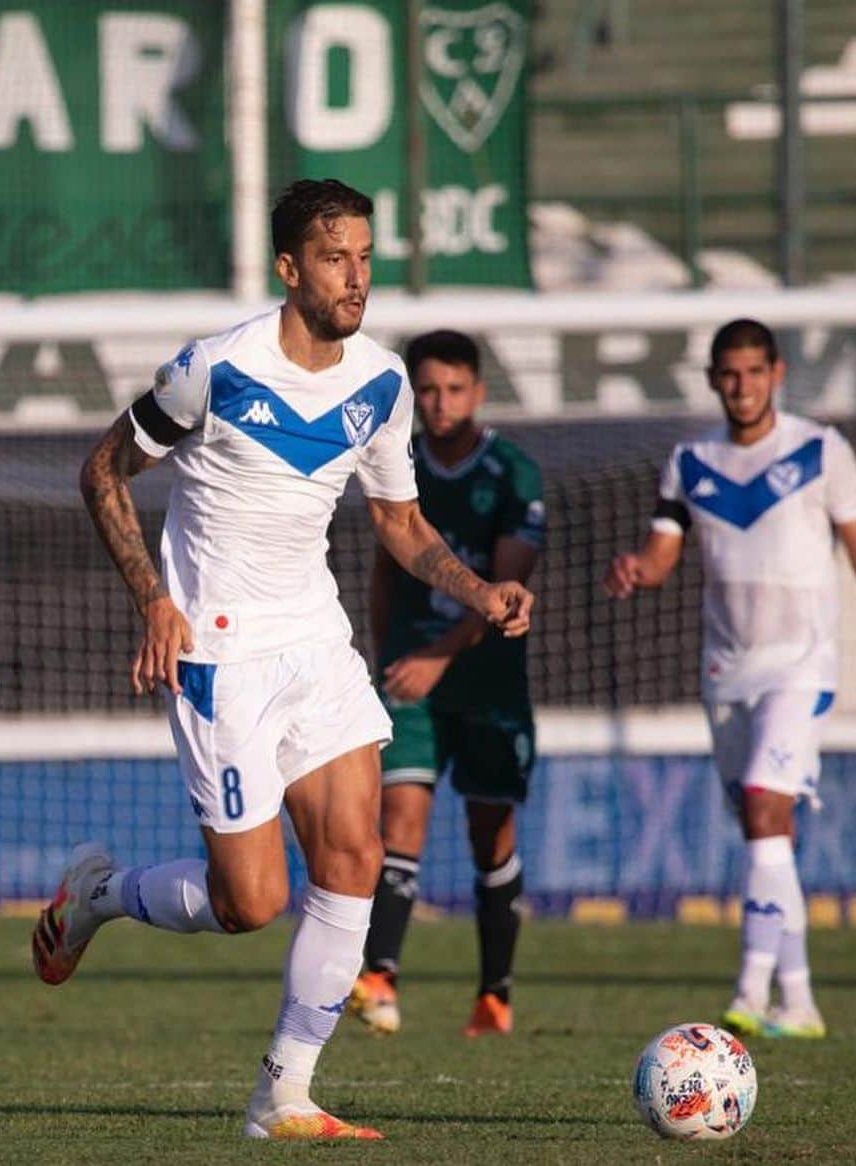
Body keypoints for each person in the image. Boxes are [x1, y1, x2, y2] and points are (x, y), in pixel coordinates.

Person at [31, 179, 534, 1141]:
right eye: (336, 258)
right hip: (223, 655)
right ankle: (99, 895)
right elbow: (101, 471)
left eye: (367, 258)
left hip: (316, 643)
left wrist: (478, 593)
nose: (357, 278)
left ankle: (283, 1094)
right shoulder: (215, 370)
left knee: (353, 860)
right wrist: (155, 601)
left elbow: (398, 521)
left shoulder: (381, 382)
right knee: (251, 901)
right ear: (290, 267)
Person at [604, 318, 856, 1039]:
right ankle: (802, 1002)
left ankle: (749, 993)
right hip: (726, 672)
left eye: (755, 371)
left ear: (777, 373)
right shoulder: (691, 462)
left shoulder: (819, 451)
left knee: (762, 803)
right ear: (714, 378)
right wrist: (636, 569)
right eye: (729, 373)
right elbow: (662, 554)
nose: (742, 385)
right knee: (764, 829)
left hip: (802, 664)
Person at [348, 330, 544, 1040]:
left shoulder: (514, 472)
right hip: (410, 677)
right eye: (427, 390)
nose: (439, 403)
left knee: (490, 833)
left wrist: (438, 653)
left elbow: (506, 589)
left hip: (486, 680)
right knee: (398, 821)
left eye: (454, 389)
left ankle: (494, 996)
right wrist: (384, 658)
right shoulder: (396, 464)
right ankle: (379, 982)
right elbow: (382, 568)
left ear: (478, 393)